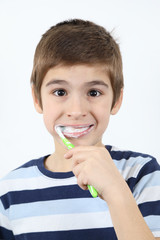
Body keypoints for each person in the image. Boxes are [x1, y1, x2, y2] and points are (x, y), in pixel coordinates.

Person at [0, 19, 160, 240]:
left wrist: (116, 191)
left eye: (94, 93)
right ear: (37, 99)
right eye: (60, 92)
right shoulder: (9, 192)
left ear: (116, 100)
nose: (76, 111)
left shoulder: (142, 173)